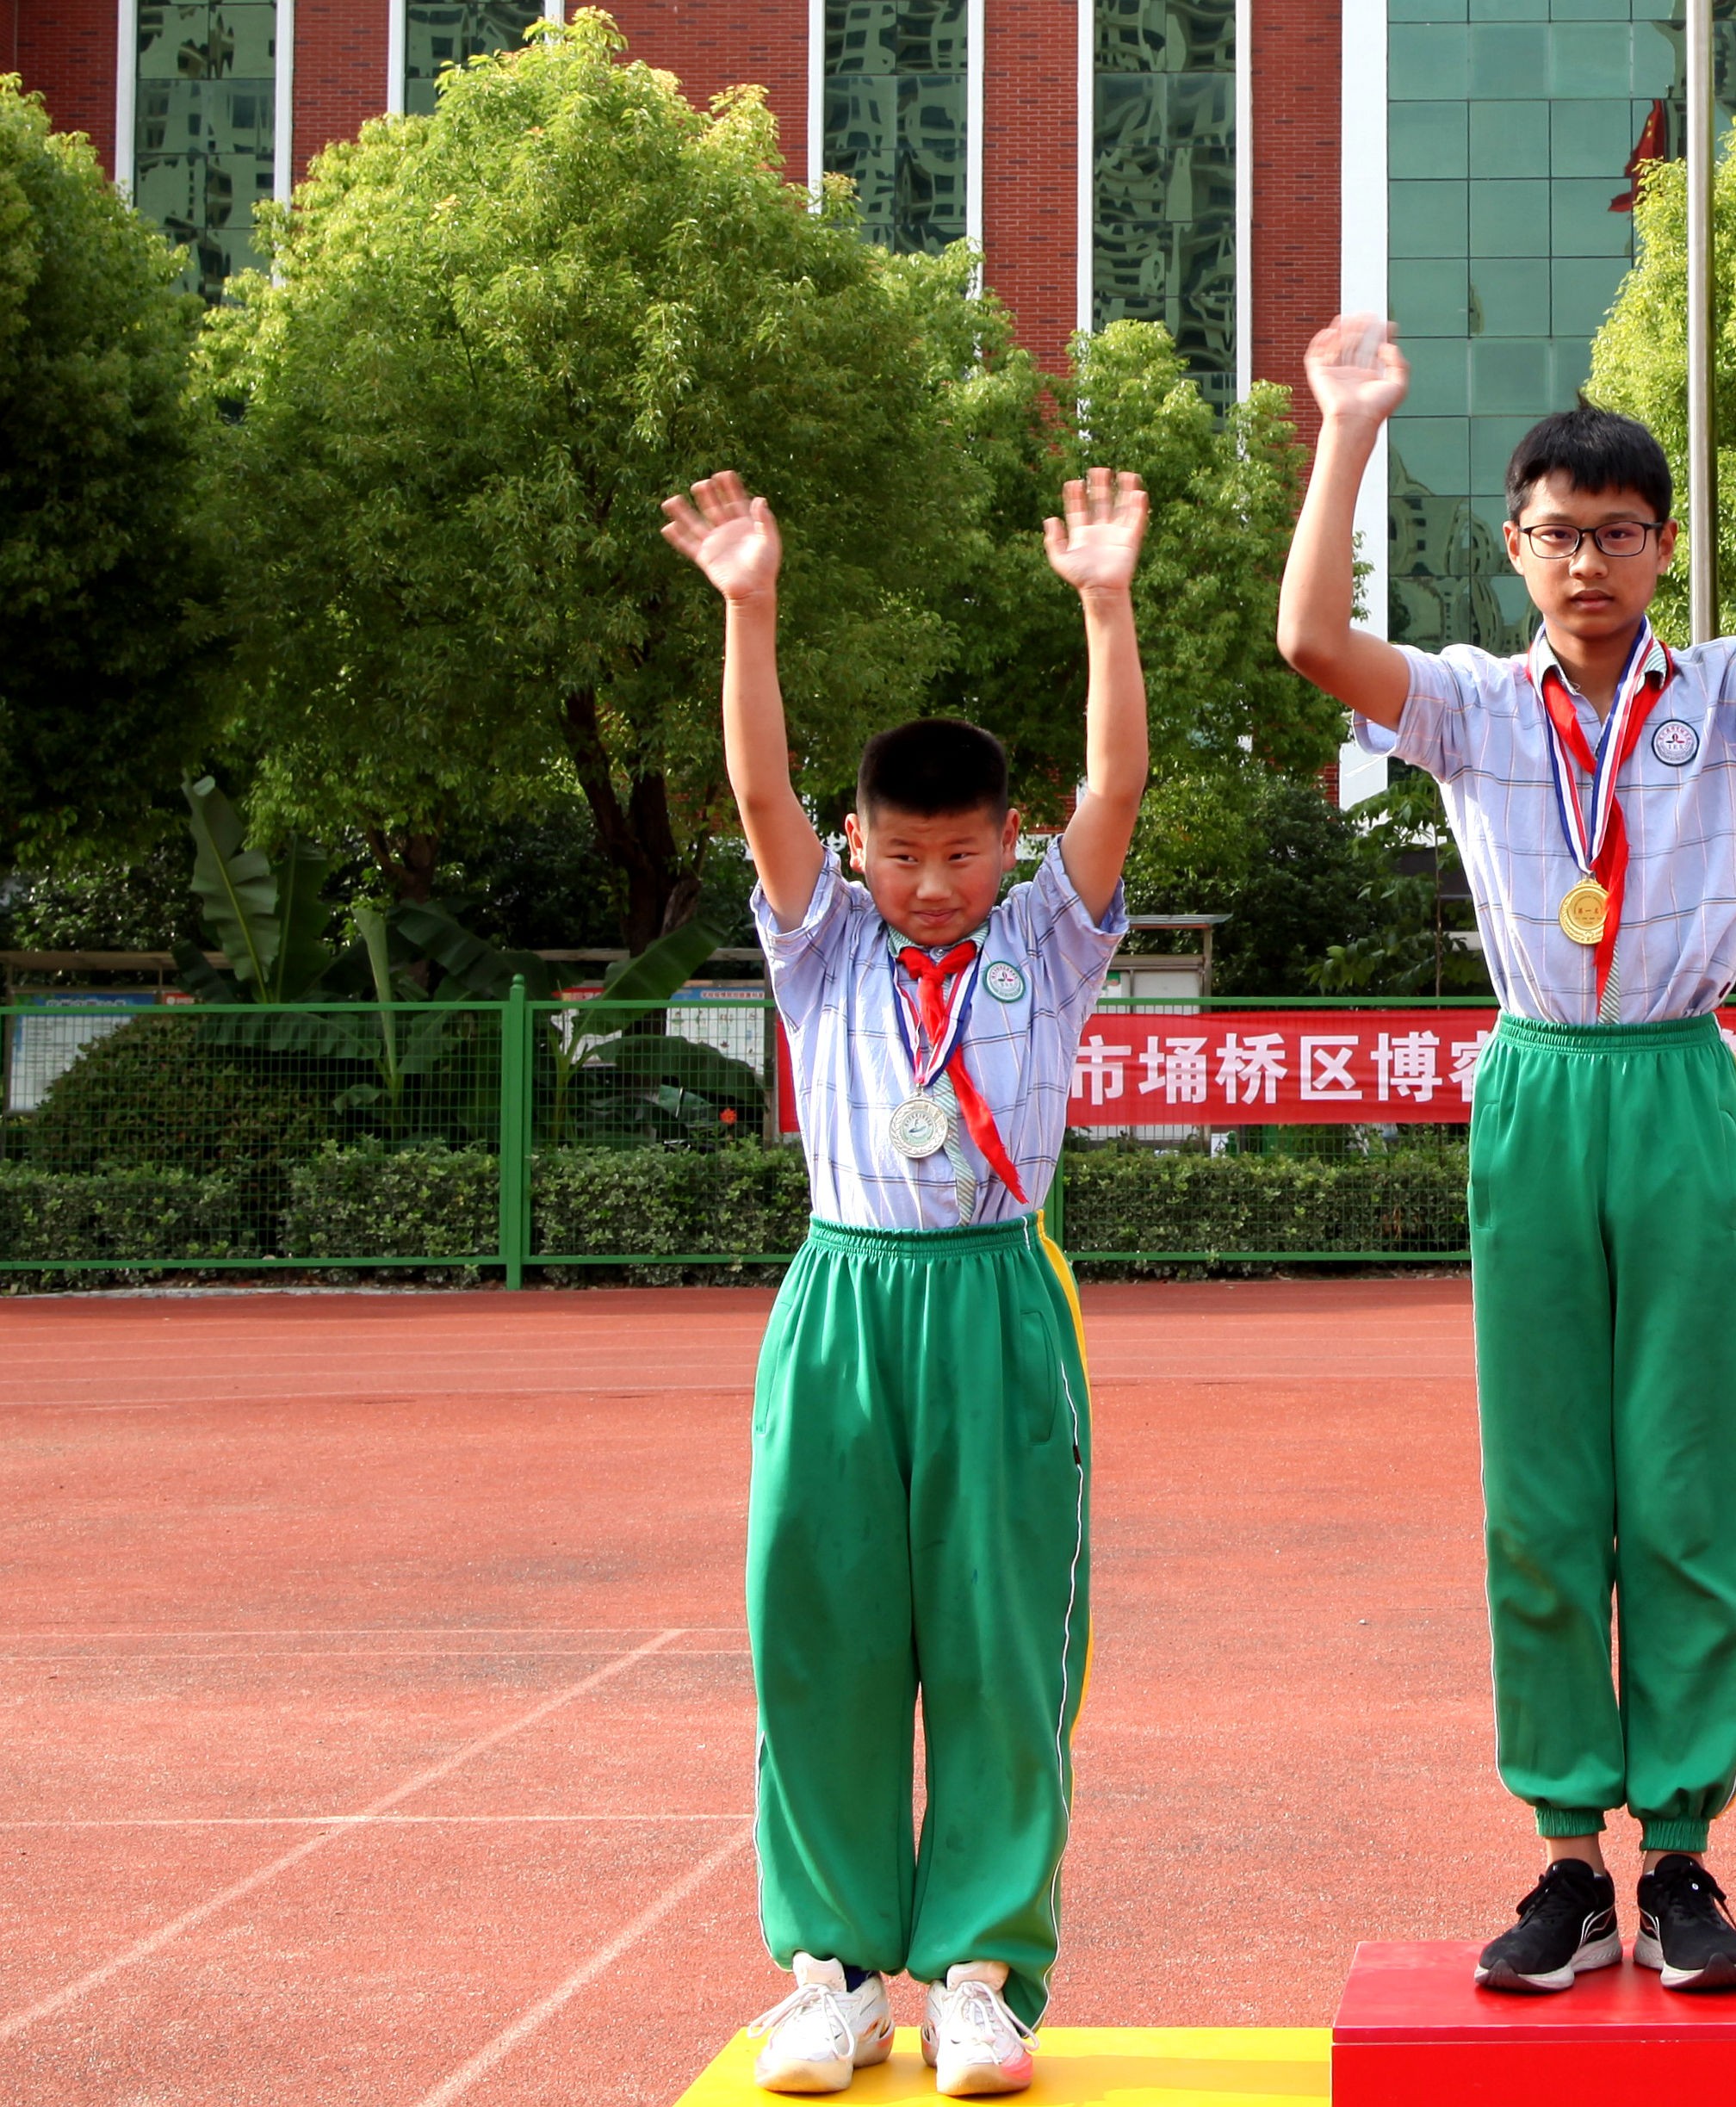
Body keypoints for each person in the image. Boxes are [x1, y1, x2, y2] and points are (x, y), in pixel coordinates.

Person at [1275, 307, 1736, 1992]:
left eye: (1621, 534)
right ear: (1515, 549)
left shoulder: (1729, 695)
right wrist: (1349, 432)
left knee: (1680, 1475)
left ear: (1663, 546)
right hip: (1539, 1083)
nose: (1590, 562)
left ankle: (1684, 1857)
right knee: (1545, 1485)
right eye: (1558, 533)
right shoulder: (1476, 704)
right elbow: (1314, 644)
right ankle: (1565, 1858)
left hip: (1678, 1078)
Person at [660, 465, 1154, 2096]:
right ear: (859, 847)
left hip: (999, 1306)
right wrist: (750, 608)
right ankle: (831, 1970)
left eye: (959, 852)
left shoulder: (1045, 941)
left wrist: (1104, 605)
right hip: (842, 1305)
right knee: (823, 1632)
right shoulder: (825, 947)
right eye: (901, 852)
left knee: (1003, 1646)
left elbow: (1121, 786)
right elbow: (754, 800)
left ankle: (984, 1974)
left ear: (1005, 845)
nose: (930, 882)